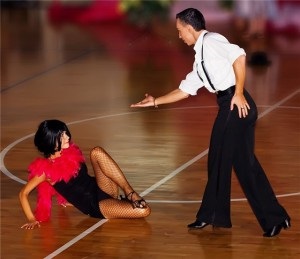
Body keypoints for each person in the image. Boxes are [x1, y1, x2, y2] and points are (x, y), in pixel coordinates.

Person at [131, 8, 290, 237]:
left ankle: (212, 215)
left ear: (189, 27)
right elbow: (185, 90)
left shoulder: (213, 41)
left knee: (218, 159)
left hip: (235, 105)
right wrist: (156, 101)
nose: (179, 36)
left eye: (179, 31)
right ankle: (276, 218)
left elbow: (239, 56)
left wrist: (238, 93)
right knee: (245, 166)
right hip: (235, 106)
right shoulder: (201, 57)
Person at [19, 119, 151, 230]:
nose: (67, 137)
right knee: (144, 211)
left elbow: (75, 180)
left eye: (66, 133)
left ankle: (130, 192)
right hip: (95, 205)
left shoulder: (70, 152)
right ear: (50, 141)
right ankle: (121, 202)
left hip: (101, 187)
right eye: (62, 136)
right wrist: (31, 219)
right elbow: (23, 193)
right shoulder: (45, 171)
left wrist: (65, 199)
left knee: (96, 152)